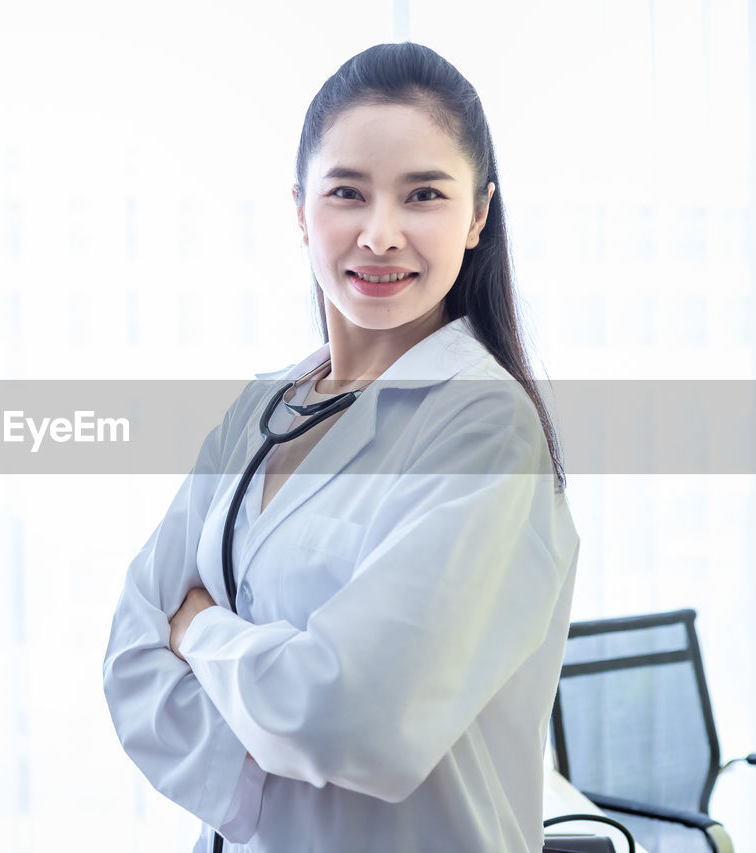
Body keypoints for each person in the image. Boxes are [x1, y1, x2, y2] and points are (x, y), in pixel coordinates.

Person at [102, 41, 579, 852]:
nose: (381, 234)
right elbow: (129, 653)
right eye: (347, 193)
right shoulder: (260, 407)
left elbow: (358, 717)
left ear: (477, 215)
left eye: (423, 194)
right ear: (300, 211)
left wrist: (200, 633)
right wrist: (268, 760)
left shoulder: (484, 427)